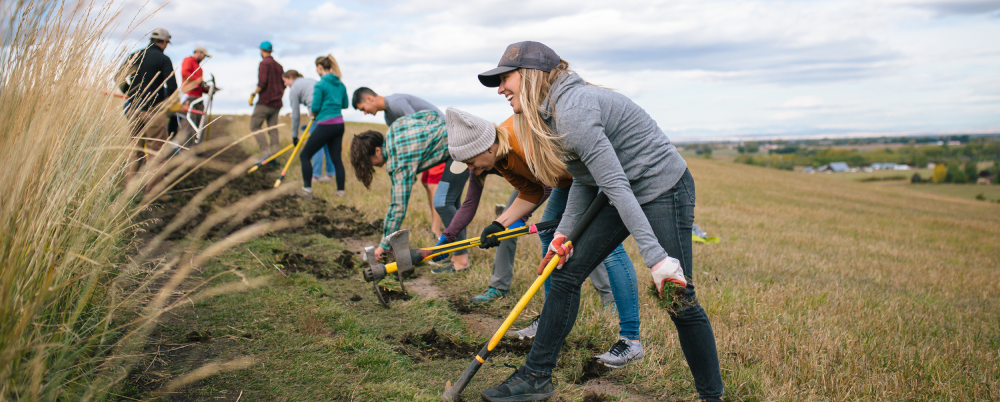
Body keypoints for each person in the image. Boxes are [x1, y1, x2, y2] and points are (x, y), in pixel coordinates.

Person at [476, 41, 724, 402]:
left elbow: (616, 184)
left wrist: (657, 260)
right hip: (619, 188)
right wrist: (564, 235)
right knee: (562, 273)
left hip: (662, 186)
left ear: (530, 76)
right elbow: (584, 177)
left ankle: (711, 397)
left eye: (505, 79)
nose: (500, 89)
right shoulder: (547, 113)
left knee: (677, 295)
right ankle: (535, 378)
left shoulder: (573, 110)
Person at [444, 108, 646, 369]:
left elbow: (584, 165)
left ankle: (631, 341)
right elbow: (531, 192)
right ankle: (549, 319)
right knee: (550, 233)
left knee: (611, 247)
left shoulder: (525, 140)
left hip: (599, 170)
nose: (472, 170)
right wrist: (499, 224)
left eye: (471, 162)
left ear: (487, 147)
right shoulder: (501, 160)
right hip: (568, 180)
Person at [348, 111, 469, 271]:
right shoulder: (395, 128)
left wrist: (383, 245)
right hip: (460, 137)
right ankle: (457, 256)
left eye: (368, 161)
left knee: (442, 203)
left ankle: (461, 262)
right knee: (451, 203)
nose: (371, 166)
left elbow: (398, 207)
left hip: (460, 148)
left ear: (377, 150)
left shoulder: (398, 160)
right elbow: (430, 114)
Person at [353, 87, 445, 237]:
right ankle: (436, 227)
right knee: (427, 183)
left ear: (369, 98)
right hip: (427, 145)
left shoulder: (395, 103)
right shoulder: (388, 117)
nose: (365, 112)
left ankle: (436, 231)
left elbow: (417, 131)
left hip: (437, 139)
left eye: (363, 108)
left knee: (433, 184)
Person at [120, 27, 178, 201]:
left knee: (134, 148)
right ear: (164, 42)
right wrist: (168, 104)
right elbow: (172, 86)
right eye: (167, 42)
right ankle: (153, 193)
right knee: (156, 152)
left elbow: (118, 76)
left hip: (134, 108)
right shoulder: (164, 59)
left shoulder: (134, 55)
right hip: (154, 111)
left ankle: (129, 189)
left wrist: (129, 92)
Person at [297, 55, 348, 199]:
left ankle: (307, 190)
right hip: (339, 124)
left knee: (305, 155)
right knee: (336, 158)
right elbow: (345, 104)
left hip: (326, 124)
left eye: (316, 68)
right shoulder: (340, 84)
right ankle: (340, 191)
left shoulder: (320, 85)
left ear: (320, 67)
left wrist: (313, 113)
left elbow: (315, 107)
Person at [283, 70, 335, 184]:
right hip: (331, 111)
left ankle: (315, 176)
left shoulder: (294, 89)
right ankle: (330, 174)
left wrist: (294, 136)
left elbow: (295, 115)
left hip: (318, 112)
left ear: (291, 78)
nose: (285, 84)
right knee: (327, 142)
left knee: (316, 143)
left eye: (285, 81)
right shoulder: (309, 81)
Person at [249, 41, 285, 161]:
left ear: (261, 50)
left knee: (254, 125)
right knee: (273, 129)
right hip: (277, 103)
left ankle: (266, 154)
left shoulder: (264, 63)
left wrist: (253, 95)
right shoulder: (279, 66)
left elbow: (262, 83)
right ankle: (275, 156)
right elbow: (284, 84)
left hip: (265, 102)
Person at [177, 46, 211, 147]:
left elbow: (199, 84)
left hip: (198, 98)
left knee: (200, 125)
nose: (204, 58)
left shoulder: (200, 68)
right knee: (189, 125)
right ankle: (185, 150)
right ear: (198, 52)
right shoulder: (188, 60)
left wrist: (207, 89)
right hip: (189, 96)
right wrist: (198, 81)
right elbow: (185, 73)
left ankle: (197, 150)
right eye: (204, 55)